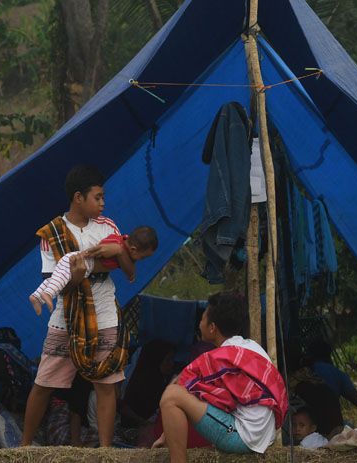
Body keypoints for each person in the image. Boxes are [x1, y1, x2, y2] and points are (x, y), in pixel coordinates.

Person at [21, 165, 127, 447]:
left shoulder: (109, 227)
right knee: (44, 383)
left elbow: (126, 264)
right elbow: (52, 285)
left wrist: (119, 251)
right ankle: (23, 447)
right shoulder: (51, 233)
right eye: (98, 197)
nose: (103, 203)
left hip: (105, 314)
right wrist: (79, 276)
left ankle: (104, 451)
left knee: (105, 386)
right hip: (66, 316)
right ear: (78, 197)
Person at [153, 293, 288, 463]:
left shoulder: (220, 357)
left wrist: (164, 435)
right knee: (189, 392)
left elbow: (181, 384)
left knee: (171, 394)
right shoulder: (252, 347)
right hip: (261, 435)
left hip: (244, 437)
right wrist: (167, 435)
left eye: (202, 318)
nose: (199, 323)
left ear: (212, 328)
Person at [29, 226, 158, 316]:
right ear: (134, 249)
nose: (141, 260)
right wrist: (85, 254)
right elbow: (99, 249)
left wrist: (119, 252)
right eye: (143, 257)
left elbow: (131, 273)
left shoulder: (123, 251)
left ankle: (36, 297)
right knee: (59, 280)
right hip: (80, 260)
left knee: (56, 279)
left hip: (82, 264)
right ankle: (48, 294)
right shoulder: (115, 241)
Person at [307, 340, 357, 421]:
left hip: (304, 421)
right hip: (330, 421)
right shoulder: (337, 373)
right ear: (329, 355)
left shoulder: (303, 372)